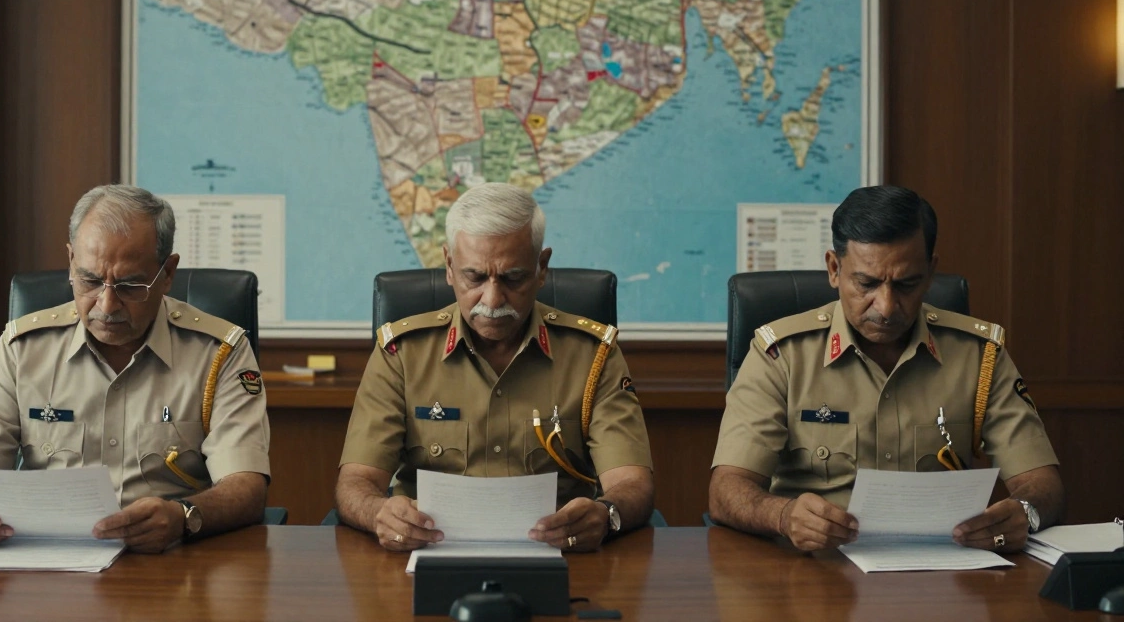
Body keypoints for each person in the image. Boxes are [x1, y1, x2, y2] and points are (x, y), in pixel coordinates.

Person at [710, 185, 1063, 553]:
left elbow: (1043, 483)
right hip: (817, 573)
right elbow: (726, 490)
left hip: (946, 574)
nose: (887, 306)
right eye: (867, 283)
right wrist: (783, 516)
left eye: (906, 284)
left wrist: (1025, 512)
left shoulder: (978, 356)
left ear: (930, 272)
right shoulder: (782, 356)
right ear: (834, 269)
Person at [0, 185, 271, 553]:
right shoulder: (22, 350)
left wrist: (184, 515)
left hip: (170, 565)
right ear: (71, 260)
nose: (106, 305)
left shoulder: (218, 353)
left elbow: (246, 486)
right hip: (46, 565)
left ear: (167, 273)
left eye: (129, 285)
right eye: (90, 281)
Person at [335, 183, 654, 553]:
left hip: (564, 557)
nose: (492, 299)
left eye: (512, 277)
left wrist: (606, 513)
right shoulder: (403, 354)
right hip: (427, 554)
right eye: (475, 277)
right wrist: (379, 513)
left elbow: (633, 483)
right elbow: (355, 481)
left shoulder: (592, 355)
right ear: (449, 267)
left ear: (542, 268)